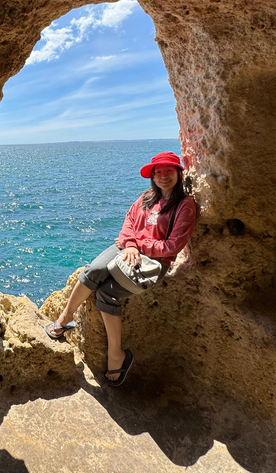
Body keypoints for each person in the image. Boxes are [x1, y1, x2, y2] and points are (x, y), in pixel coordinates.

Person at [45, 151, 196, 387]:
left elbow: (173, 246)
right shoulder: (146, 197)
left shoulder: (185, 205)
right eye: (158, 172)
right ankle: (66, 316)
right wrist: (132, 245)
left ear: (178, 172)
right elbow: (128, 222)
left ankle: (117, 354)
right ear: (152, 177)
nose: (163, 176)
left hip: (153, 262)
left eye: (169, 171)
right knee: (92, 270)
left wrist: (141, 246)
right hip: (127, 248)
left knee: (107, 292)